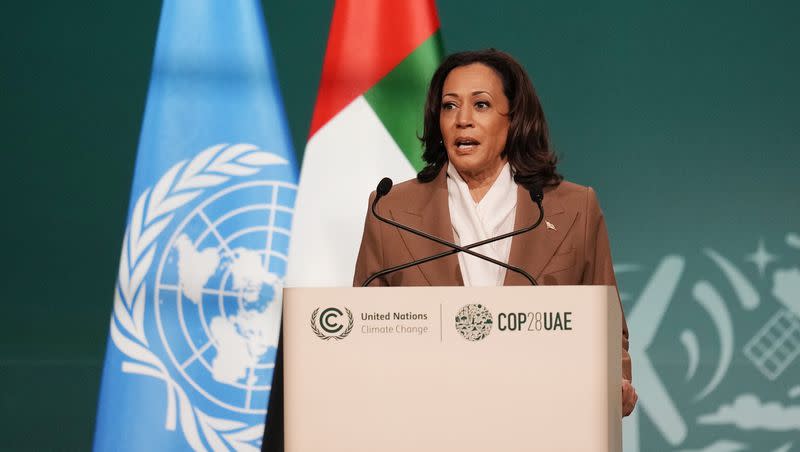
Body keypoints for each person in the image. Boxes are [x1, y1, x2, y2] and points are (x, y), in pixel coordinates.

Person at [352, 49, 637, 416]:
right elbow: (361, 333)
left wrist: (616, 382)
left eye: (481, 105)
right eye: (449, 106)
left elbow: (608, 331)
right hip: (424, 419)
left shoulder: (573, 208)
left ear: (514, 117)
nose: (462, 120)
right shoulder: (390, 209)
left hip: (542, 418)